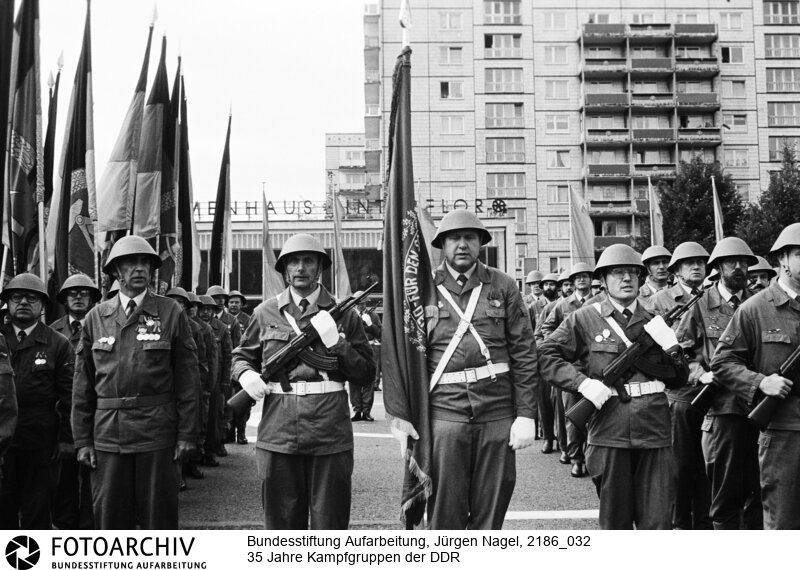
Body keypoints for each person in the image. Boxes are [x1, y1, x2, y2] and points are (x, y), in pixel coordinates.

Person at [391, 210, 539, 530]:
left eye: (470, 238)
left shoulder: (503, 285)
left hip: (496, 411)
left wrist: (527, 414)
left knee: (491, 511)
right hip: (444, 413)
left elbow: (524, 354)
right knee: (446, 512)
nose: (462, 245)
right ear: (442, 245)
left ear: (481, 244)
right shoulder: (422, 288)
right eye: (454, 238)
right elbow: (403, 355)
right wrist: (402, 415)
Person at [539, 244, 690, 529]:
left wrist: (672, 348)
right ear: (604, 280)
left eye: (633, 273)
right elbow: (546, 355)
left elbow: (679, 379)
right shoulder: (585, 318)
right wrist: (582, 383)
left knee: (657, 523)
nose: (627, 279)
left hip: (655, 429)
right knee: (615, 522)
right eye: (618, 273)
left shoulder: (654, 321)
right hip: (610, 429)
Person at [232, 233, 375, 529]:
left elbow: (365, 373)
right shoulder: (265, 312)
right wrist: (246, 375)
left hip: (329, 430)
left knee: (330, 523)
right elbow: (241, 356)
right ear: (284, 269)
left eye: (308, 261)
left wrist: (338, 343)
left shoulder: (343, 314)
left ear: (320, 267)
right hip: (279, 429)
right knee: (282, 523)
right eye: (293, 261)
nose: (300, 267)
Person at [72, 235, 199, 529]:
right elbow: (83, 385)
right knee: (110, 519)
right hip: (107, 433)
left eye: (145, 262)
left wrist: (187, 435)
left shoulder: (171, 312)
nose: (139, 268)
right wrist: (82, 441)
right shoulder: (96, 317)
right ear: (116, 270)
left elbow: (188, 380)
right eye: (130, 262)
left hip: (157, 432)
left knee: (159, 520)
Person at [711, 223, 800, 529]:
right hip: (783, 430)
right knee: (783, 520)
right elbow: (722, 361)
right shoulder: (755, 308)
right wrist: (760, 382)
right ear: (783, 260)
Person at [676, 238, 760, 530]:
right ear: (718, 267)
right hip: (722, 408)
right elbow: (680, 351)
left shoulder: (758, 301)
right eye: (730, 263)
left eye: (744, 263)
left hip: (759, 406)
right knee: (724, 494)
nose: (739, 268)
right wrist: (700, 373)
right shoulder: (699, 304)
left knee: (758, 489)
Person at [0, 274, 74, 529]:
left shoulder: (58, 343)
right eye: (16, 297)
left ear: (42, 306)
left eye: (32, 298)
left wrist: (66, 439)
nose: (23, 302)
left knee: (37, 510)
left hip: (40, 440)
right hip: (2, 441)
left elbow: (69, 397)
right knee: (3, 508)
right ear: (7, 303)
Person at [49, 274, 101, 529]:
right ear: (65, 300)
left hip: (96, 411)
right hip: (63, 416)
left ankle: (89, 529)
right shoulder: (52, 331)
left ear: (91, 298)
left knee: (94, 474)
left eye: (84, 293)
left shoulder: (103, 326)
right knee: (64, 476)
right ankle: (65, 527)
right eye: (73, 293)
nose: (78, 297)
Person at [541, 262, 595, 478]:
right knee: (572, 416)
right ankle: (576, 458)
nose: (581, 280)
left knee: (596, 415)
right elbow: (546, 328)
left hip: (595, 367)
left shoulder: (597, 303)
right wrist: (560, 351)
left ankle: (591, 454)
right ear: (571, 282)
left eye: (585, 276)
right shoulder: (562, 305)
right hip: (572, 369)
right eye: (577, 277)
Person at [166, 287, 209, 487]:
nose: (176, 305)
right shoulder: (159, 322)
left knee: (189, 430)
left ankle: (184, 470)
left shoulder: (195, 328)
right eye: (172, 300)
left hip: (188, 387)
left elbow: (201, 360)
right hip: (165, 391)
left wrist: (200, 387)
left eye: (180, 302)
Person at [198, 295, 231, 464]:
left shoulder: (222, 328)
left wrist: (226, 380)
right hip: (198, 379)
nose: (205, 313)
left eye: (209, 310)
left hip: (216, 380)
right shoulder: (194, 327)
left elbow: (227, 356)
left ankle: (212, 449)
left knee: (215, 417)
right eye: (202, 309)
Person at [188, 292, 218, 469]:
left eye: (194, 306)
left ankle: (197, 457)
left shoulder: (204, 329)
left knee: (202, 422)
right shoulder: (177, 323)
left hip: (202, 382)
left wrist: (210, 385)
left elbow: (210, 360)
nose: (192, 309)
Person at [350, 293, 381, 422]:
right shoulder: (350, 315)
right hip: (354, 350)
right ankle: (357, 410)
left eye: (363, 303)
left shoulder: (373, 315)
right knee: (354, 381)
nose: (361, 305)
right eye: (358, 303)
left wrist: (370, 325)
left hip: (369, 349)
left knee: (369, 381)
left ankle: (366, 411)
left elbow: (380, 333)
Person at [226, 290, 251, 443]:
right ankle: (228, 433)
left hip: (242, 364)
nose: (234, 305)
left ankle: (241, 432)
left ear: (242, 304)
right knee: (228, 401)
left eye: (237, 302)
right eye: (231, 302)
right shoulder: (223, 319)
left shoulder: (248, 320)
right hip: (227, 365)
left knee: (244, 401)